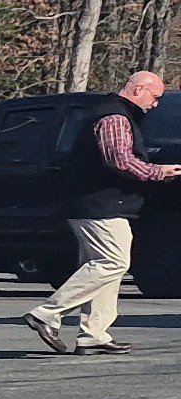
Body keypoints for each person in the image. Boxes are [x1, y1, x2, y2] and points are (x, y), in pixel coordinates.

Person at [26, 68, 177, 355]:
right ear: (138, 90)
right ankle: (47, 313)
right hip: (99, 203)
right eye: (155, 97)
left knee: (103, 267)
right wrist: (158, 172)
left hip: (94, 202)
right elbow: (119, 160)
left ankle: (93, 334)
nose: (155, 104)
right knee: (114, 262)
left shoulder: (110, 112)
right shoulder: (114, 116)